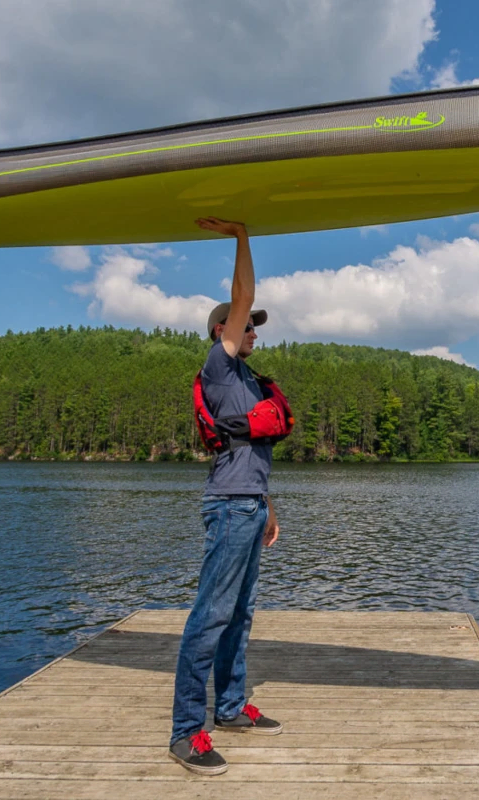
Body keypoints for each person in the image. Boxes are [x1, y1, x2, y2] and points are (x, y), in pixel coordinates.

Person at [169, 217, 283, 775]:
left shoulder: (247, 381)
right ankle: (187, 731)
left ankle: (232, 708)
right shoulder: (220, 366)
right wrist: (242, 234)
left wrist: (267, 508)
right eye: (246, 327)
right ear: (223, 332)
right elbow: (243, 295)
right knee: (210, 617)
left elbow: (251, 454)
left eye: (253, 329)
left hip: (248, 505)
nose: (255, 333)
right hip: (229, 506)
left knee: (240, 614)